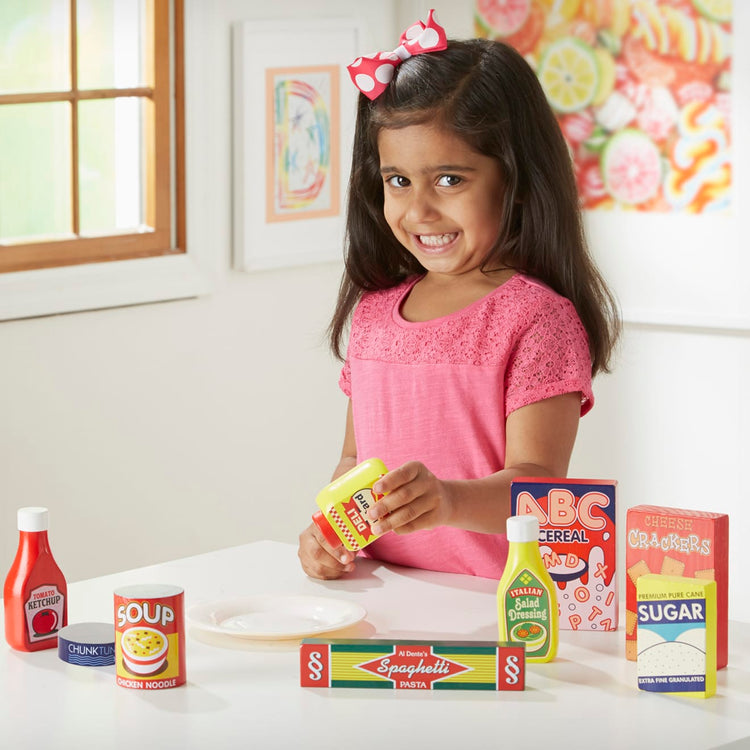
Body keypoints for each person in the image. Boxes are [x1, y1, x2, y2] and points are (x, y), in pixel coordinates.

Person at [297, 10, 620, 581]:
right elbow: (354, 463)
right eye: (398, 180)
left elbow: (543, 485)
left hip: (495, 606)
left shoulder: (537, 320)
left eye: (449, 180)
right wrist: (329, 536)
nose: (418, 211)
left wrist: (447, 501)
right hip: (382, 591)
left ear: (515, 182)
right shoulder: (374, 313)